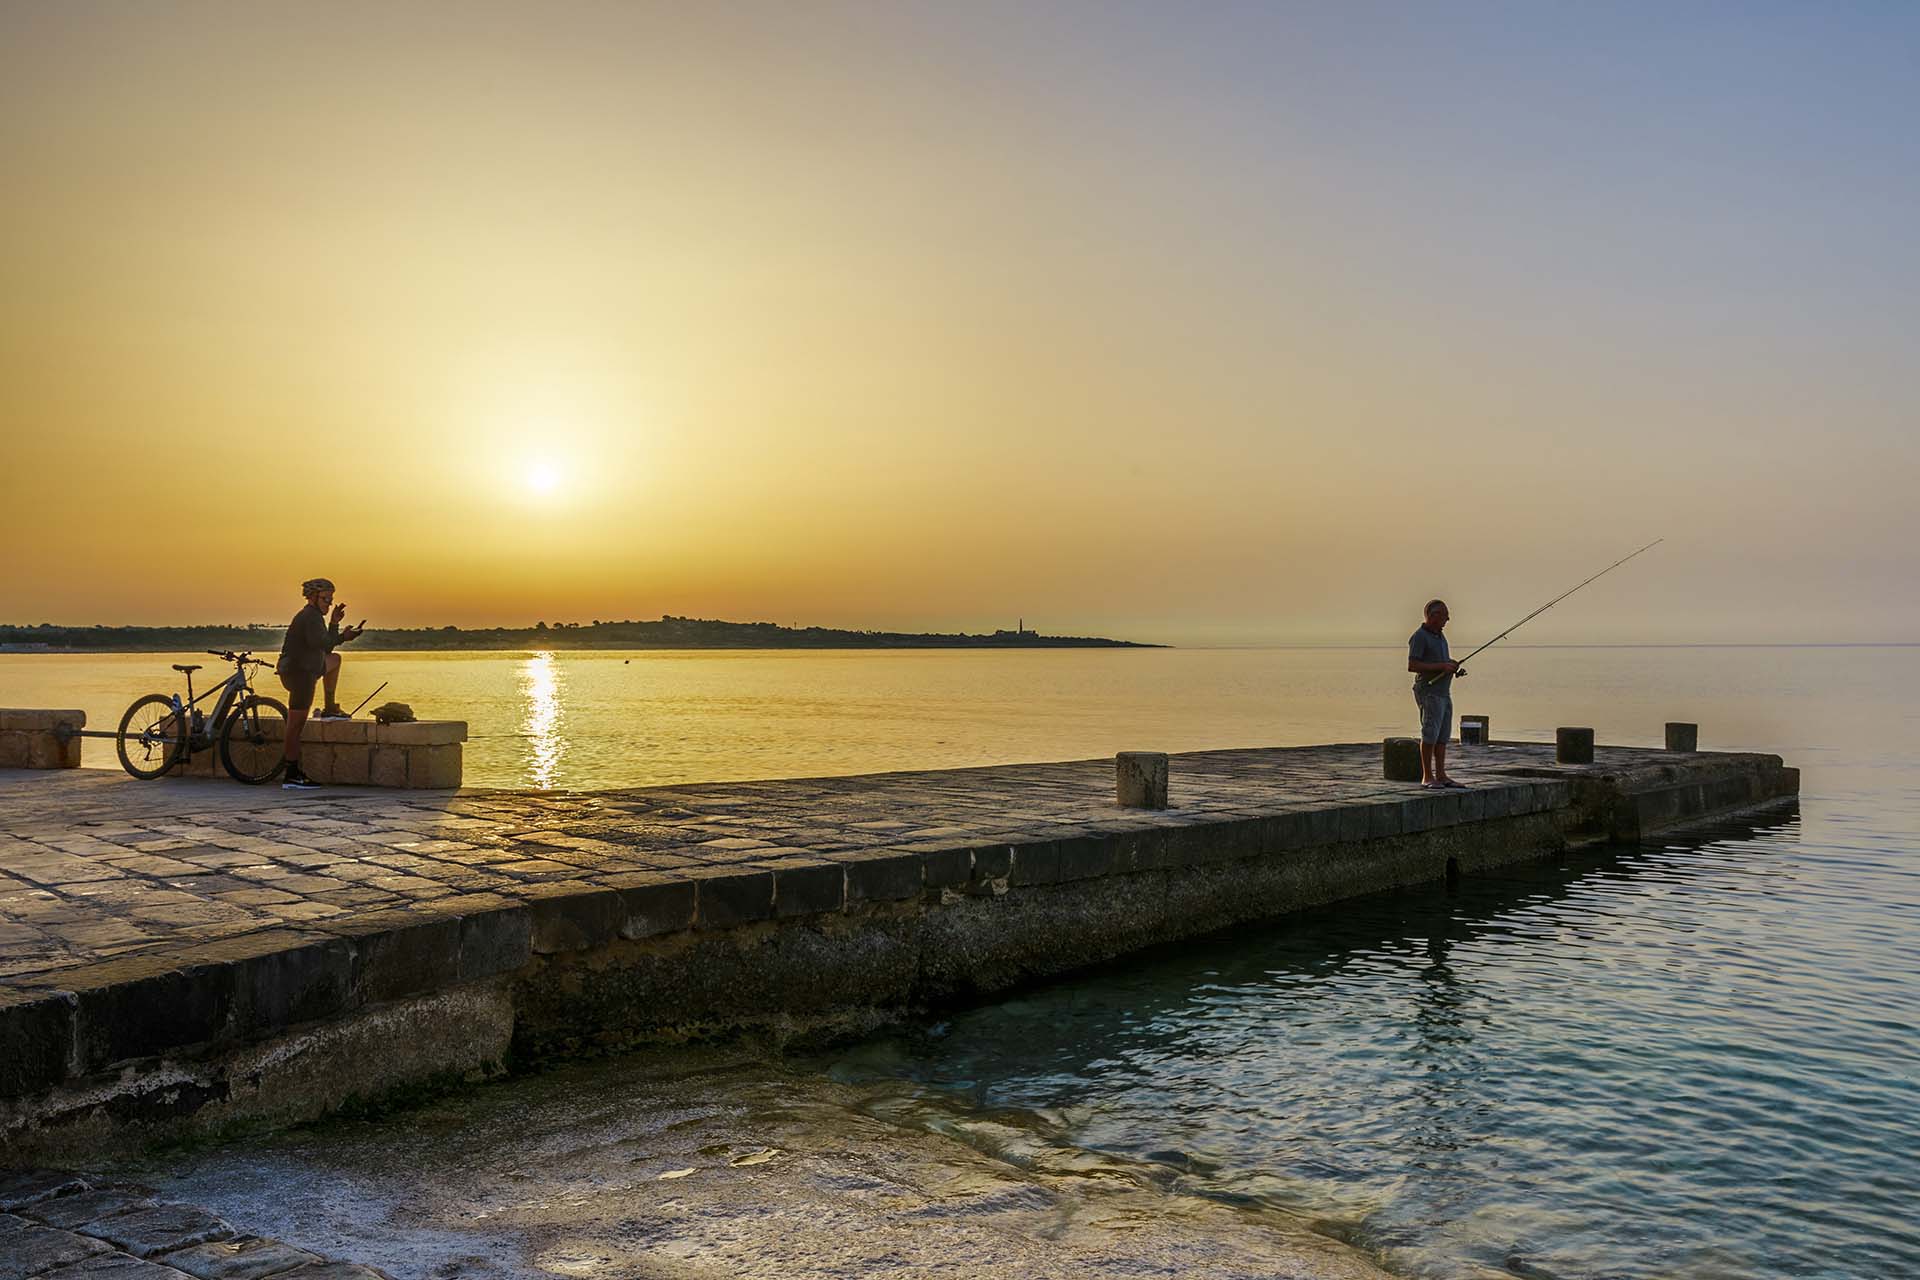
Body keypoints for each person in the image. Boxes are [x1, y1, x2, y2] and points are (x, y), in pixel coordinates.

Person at [276, 577, 364, 790]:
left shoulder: (315, 616)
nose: (329, 603)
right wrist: (344, 636)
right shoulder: (310, 616)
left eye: (331, 600)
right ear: (313, 597)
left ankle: (330, 708)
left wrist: (334, 623)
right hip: (300, 674)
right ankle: (292, 775)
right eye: (326, 599)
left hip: (309, 668)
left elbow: (326, 649)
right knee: (295, 726)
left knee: (334, 660)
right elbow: (323, 643)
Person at [1407, 599, 1467, 790]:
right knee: (1430, 733)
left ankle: (1441, 775)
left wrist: (1451, 666)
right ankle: (1427, 776)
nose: (1448, 619)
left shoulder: (1440, 637)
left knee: (1443, 735)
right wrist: (1442, 666)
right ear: (1433, 616)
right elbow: (1413, 665)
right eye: (1445, 615)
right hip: (1429, 692)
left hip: (1444, 692)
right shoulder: (1419, 637)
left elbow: (1439, 661)